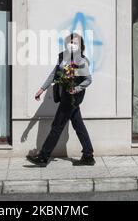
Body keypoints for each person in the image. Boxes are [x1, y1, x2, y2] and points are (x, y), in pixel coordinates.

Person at [27, 33, 95, 167]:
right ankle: (88, 155)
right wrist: (42, 89)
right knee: (78, 125)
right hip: (65, 95)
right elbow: (54, 74)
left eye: (75, 43)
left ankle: (43, 157)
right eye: (70, 42)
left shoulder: (81, 61)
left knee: (57, 126)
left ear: (80, 46)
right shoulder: (62, 57)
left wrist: (76, 89)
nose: (72, 45)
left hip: (72, 98)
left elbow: (88, 80)